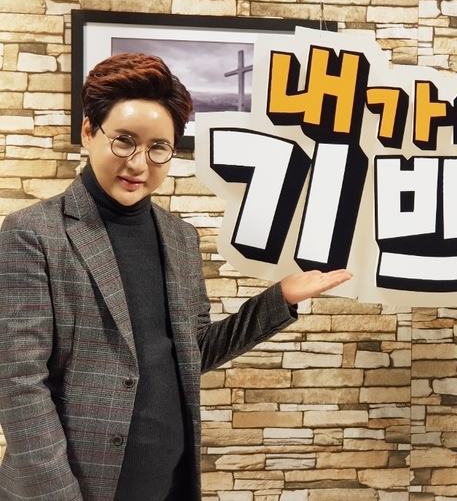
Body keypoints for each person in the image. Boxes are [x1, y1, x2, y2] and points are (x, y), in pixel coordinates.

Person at [0, 52, 352, 501]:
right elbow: (18, 382)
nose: (138, 163)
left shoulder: (180, 237)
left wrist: (278, 299)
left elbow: (192, 351)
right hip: (79, 488)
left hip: (169, 483)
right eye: (124, 141)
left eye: (158, 148)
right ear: (89, 131)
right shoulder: (33, 233)